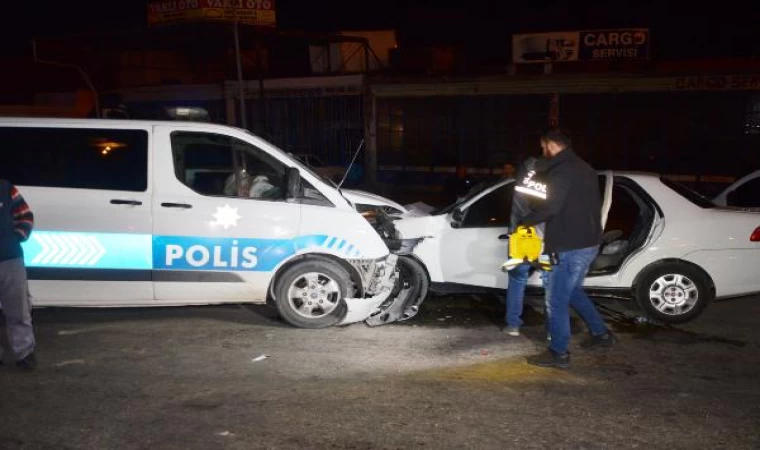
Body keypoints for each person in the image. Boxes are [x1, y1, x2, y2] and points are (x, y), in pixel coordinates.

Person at [519, 129, 615, 369]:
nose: (543, 152)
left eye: (543, 148)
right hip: (588, 243)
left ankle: (558, 353)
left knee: (556, 300)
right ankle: (601, 334)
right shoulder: (585, 168)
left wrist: (525, 221)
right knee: (572, 292)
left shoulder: (562, 171)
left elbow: (551, 207)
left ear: (551, 145)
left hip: (568, 246)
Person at [503, 156, 548, 337]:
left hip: (523, 236)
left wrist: (514, 229)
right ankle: (553, 330)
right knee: (551, 284)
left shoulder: (525, 171)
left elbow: (518, 205)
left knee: (517, 279)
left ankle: (513, 325)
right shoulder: (562, 172)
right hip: (549, 237)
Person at [0, 179, 36, 371]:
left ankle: (24, 354)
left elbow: (26, 216)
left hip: (10, 259)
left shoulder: (6, 189)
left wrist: (15, 238)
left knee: (18, 311)